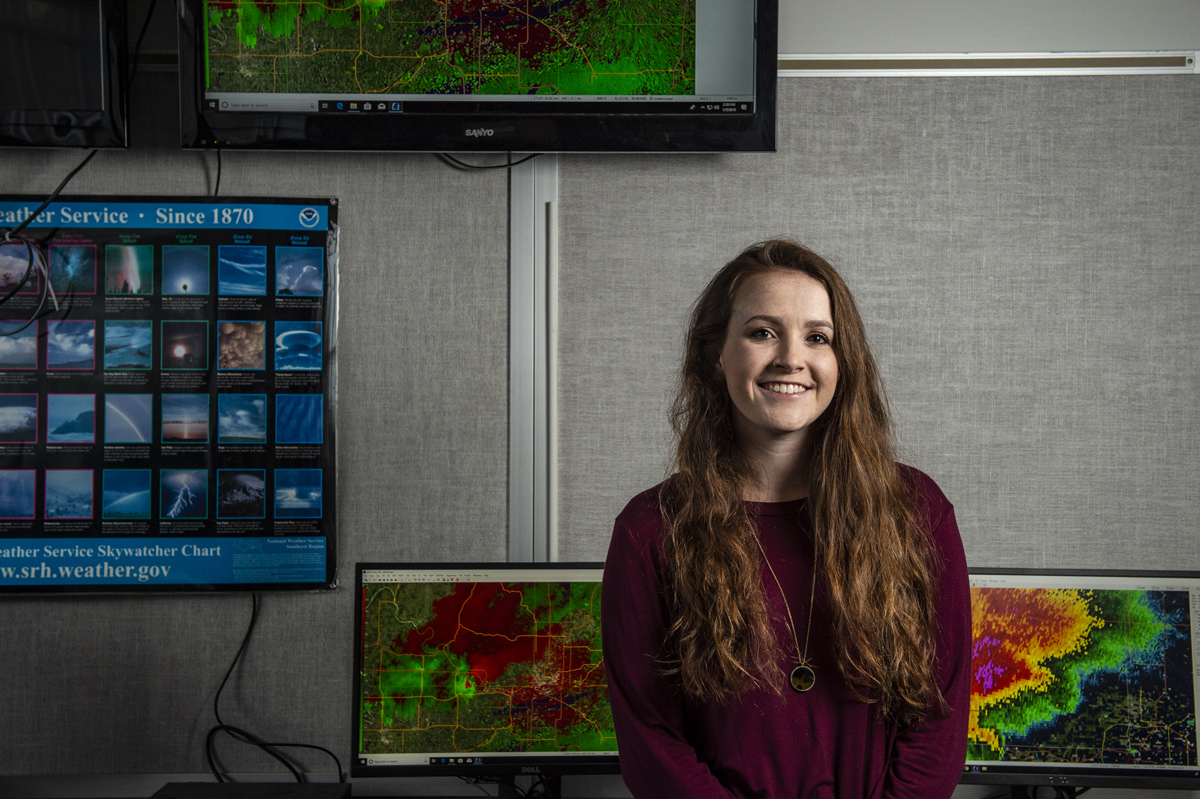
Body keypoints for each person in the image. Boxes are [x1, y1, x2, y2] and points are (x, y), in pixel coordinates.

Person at [601, 239, 970, 799]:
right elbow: (652, 746)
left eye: (817, 337)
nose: (790, 358)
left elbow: (937, 722)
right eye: (762, 332)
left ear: (842, 362)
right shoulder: (650, 531)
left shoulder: (917, 512)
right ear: (715, 354)